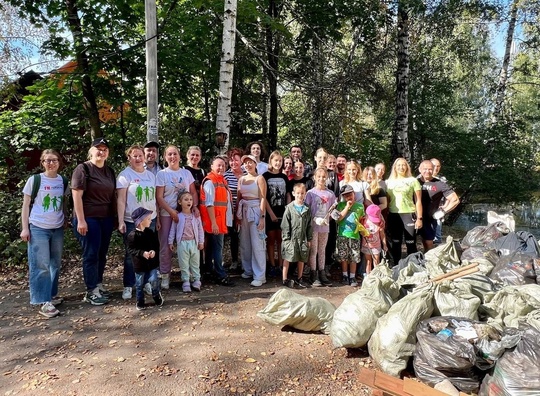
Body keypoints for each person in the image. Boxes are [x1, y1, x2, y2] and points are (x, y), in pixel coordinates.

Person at [20, 149, 68, 318]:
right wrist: (25, 228)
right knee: (41, 265)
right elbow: (26, 205)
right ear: (42, 163)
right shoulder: (35, 180)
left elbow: (64, 202)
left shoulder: (63, 180)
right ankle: (43, 302)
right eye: (47, 160)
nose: (51, 163)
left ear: (59, 162)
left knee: (55, 263)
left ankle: (51, 295)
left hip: (57, 227)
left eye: (54, 160)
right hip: (38, 226)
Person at [72, 138, 116, 305]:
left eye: (105, 149)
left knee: (101, 253)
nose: (101, 152)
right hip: (88, 218)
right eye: (98, 148)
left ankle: (98, 284)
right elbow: (77, 196)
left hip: (105, 218)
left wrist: (115, 219)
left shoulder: (109, 171)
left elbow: (113, 196)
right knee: (91, 254)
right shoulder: (83, 169)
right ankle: (91, 291)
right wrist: (81, 220)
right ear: (91, 151)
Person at [116, 144, 157, 300]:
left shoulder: (150, 175)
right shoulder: (125, 176)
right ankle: (128, 285)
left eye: (140, 155)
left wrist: (156, 217)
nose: (138, 158)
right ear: (129, 158)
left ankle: (146, 282)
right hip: (131, 221)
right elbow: (120, 200)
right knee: (131, 254)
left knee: (149, 252)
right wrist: (120, 221)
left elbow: (154, 199)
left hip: (150, 221)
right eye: (135, 156)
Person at [156, 145, 198, 289]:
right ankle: (165, 275)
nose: (172, 157)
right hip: (167, 214)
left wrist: (194, 207)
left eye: (175, 154)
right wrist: (171, 211)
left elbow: (192, 192)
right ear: (165, 157)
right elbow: (159, 197)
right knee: (166, 246)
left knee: (189, 244)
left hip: (185, 214)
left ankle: (190, 275)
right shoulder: (162, 174)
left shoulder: (186, 173)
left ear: (180, 156)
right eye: (169, 154)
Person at [200, 156, 235, 286]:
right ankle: (220, 275)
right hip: (215, 221)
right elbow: (209, 204)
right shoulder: (211, 181)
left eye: (223, 165)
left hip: (218, 220)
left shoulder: (221, 180)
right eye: (218, 165)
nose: (221, 168)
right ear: (212, 167)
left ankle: (209, 271)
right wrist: (214, 223)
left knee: (211, 247)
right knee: (218, 248)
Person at [237, 154, 268, 287]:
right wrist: (237, 216)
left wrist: (262, 217)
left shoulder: (259, 178)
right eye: (246, 163)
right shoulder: (241, 179)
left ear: (255, 164)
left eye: (251, 162)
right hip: (244, 211)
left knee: (257, 243)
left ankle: (260, 275)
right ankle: (248, 269)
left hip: (256, 211)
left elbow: (262, 199)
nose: (248, 165)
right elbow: (239, 197)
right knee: (245, 242)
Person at [385, 157, 422, 264]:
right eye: (398, 165)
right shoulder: (389, 182)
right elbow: (387, 201)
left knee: (410, 242)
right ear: (395, 168)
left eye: (403, 165)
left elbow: (418, 201)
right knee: (396, 242)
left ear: (407, 167)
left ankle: (412, 265)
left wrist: (419, 218)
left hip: (409, 214)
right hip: (394, 215)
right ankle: (396, 265)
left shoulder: (413, 181)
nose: (401, 167)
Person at [417, 160, 459, 251]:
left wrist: (443, 211)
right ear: (419, 169)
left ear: (434, 170)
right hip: (413, 218)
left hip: (429, 219)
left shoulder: (440, 184)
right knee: (410, 243)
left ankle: (428, 262)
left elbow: (455, 199)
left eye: (430, 169)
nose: (427, 171)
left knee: (428, 243)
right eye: (425, 169)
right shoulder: (414, 182)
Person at [127, 207, 163, 311]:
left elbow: (156, 245)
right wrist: (142, 253)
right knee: (139, 284)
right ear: (141, 221)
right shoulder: (132, 236)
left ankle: (156, 295)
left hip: (151, 263)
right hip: (139, 265)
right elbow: (131, 250)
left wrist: (153, 251)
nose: (150, 221)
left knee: (154, 280)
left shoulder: (150, 233)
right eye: (148, 219)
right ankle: (140, 300)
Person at [305, 167, 336, 286]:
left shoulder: (330, 193)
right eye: (319, 177)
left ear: (327, 178)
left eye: (324, 177)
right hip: (313, 226)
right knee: (313, 250)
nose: (321, 179)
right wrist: (314, 219)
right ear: (315, 178)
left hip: (325, 227)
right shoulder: (311, 193)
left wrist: (329, 218)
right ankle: (313, 274)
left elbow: (333, 209)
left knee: (322, 250)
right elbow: (307, 210)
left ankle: (322, 272)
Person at [168, 192, 204, 293]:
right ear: (180, 202)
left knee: (195, 263)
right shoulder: (178, 216)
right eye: (186, 199)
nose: (189, 201)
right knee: (184, 264)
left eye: (190, 200)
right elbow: (172, 230)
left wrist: (201, 242)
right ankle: (186, 281)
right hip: (182, 244)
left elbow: (200, 229)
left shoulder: (196, 216)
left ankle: (196, 280)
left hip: (194, 243)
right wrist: (170, 242)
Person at [262, 151, 291, 277]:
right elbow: (264, 197)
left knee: (281, 240)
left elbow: (288, 194)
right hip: (270, 213)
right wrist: (270, 213)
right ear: (271, 161)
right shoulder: (265, 176)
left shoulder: (284, 177)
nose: (278, 163)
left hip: (282, 212)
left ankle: (280, 265)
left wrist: (288, 210)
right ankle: (272, 266)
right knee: (271, 240)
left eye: (280, 161)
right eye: (276, 161)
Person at [281, 183, 312, 288]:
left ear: (305, 194)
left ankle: (300, 277)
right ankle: (284, 278)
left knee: (301, 258)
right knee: (288, 257)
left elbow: (309, 225)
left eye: (302, 193)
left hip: (302, 238)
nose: (300, 195)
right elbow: (285, 225)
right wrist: (286, 239)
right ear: (294, 193)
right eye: (298, 193)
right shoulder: (289, 208)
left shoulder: (307, 208)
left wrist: (309, 238)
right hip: (291, 238)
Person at [335, 184, 365, 287]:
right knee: (344, 257)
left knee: (354, 257)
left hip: (355, 236)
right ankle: (344, 275)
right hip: (343, 235)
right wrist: (347, 207)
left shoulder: (360, 206)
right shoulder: (341, 205)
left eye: (350, 194)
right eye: (346, 195)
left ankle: (352, 276)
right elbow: (338, 219)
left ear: (354, 194)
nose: (348, 197)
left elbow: (362, 220)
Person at [223, 147, 245, 272]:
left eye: (236, 160)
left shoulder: (247, 173)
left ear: (241, 161)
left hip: (246, 209)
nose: (234, 163)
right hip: (230, 210)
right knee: (233, 236)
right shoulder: (226, 176)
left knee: (245, 236)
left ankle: (246, 261)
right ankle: (235, 260)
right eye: (231, 161)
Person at [361, 204, 387, 275]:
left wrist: (384, 245)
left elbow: (382, 234)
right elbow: (361, 232)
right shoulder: (364, 220)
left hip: (376, 245)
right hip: (367, 245)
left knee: (376, 261)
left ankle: (376, 276)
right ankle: (368, 276)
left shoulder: (380, 222)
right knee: (368, 261)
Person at [431, 158, 447, 243]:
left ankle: (437, 253)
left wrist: (445, 207)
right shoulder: (421, 178)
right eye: (434, 166)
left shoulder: (442, 180)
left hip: (438, 210)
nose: (436, 168)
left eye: (438, 166)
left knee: (437, 235)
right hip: (425, 211)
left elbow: (449, 196)